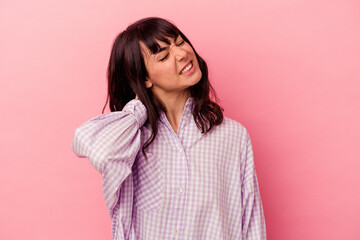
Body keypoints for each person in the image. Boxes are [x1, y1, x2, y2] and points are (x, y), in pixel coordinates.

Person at [72, 17, 267, 240]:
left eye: (181, 42)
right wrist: (139, 108)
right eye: (164, 56)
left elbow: (251, 225)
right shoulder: (131, 139)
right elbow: (97, 150)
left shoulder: (233, 136)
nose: (183, 54)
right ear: (144, 78)